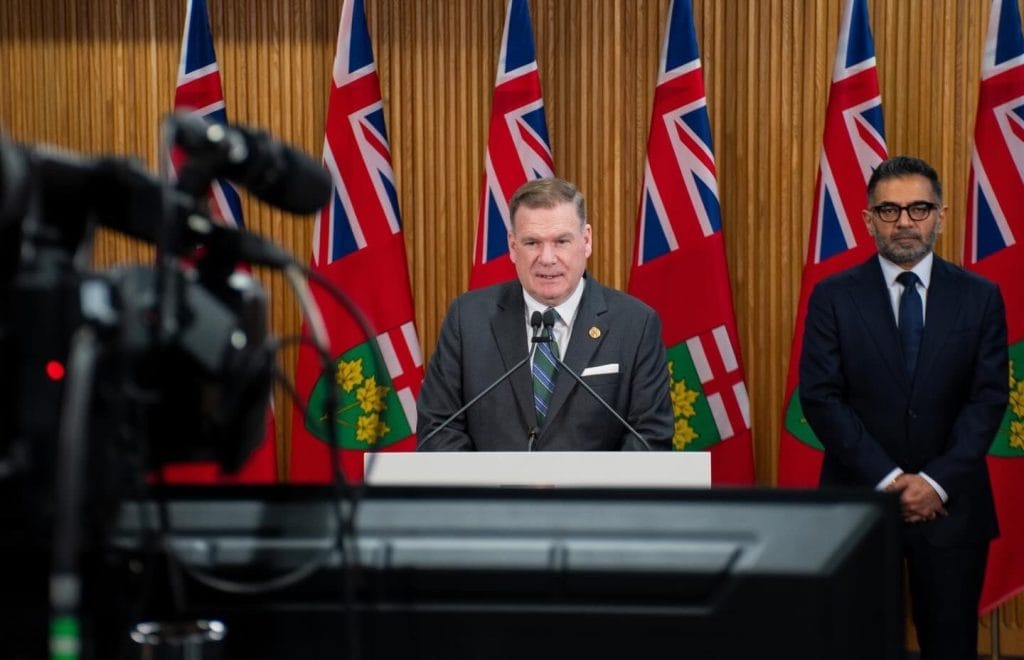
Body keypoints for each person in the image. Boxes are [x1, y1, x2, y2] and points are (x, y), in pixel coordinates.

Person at [799, 155, 1009, 659]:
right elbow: (821, 397)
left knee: (951, 644)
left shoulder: (980, 297)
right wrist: (890, 480)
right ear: (868, 219)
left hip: (952, 504)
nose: (905, 222)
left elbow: (988, 398)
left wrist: (933, 483)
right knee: (860, 643)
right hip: (861, 501)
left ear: (941, 214)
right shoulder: (833, 297)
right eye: (889, 211)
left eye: (918, 208)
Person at [417, 177, 673, 451]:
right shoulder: (468, 320)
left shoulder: (635, 324)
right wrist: (494, 488)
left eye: (561, 241)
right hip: (493, 494)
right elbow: (438, 429)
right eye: (532, 243)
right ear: (513, 247)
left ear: (586, 241)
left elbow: (650, 438)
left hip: (593, 494)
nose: (547, 258)